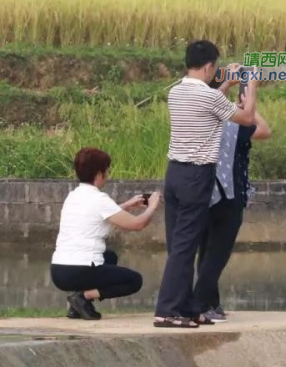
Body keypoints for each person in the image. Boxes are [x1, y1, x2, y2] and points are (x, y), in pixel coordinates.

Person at [154, 41, 258, 329]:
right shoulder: (208, 97)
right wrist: (251, 87)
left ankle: (186, 308)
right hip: (196, 176)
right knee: (185, 248)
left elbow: (211, 102)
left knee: (179, 245)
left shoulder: (176, 91)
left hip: (174, 174)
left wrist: (223, 86)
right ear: (211, 66)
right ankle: (168, 310)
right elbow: (247, 118)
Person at [193, 75, 272, 323]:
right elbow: (264, 130)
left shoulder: (202, 119)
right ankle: (199, 304)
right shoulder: (234, 124)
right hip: (229, 193)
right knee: (217, 254)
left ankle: (211, 304)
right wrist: (250, 99)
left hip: (201, 191)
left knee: (205, 251)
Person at [50, 147, 160, 320]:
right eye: (107, 170)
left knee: (109, 257)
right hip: (79, 270)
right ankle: (83, 297)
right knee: (134, 281)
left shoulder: (73, 196)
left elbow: (98, 215)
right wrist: (153, 206)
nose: (108, 174)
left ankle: (77, 307)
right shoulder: (99, 199)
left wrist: (127, 205)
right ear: (100, 174)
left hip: (58, 271)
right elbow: (138, 224)